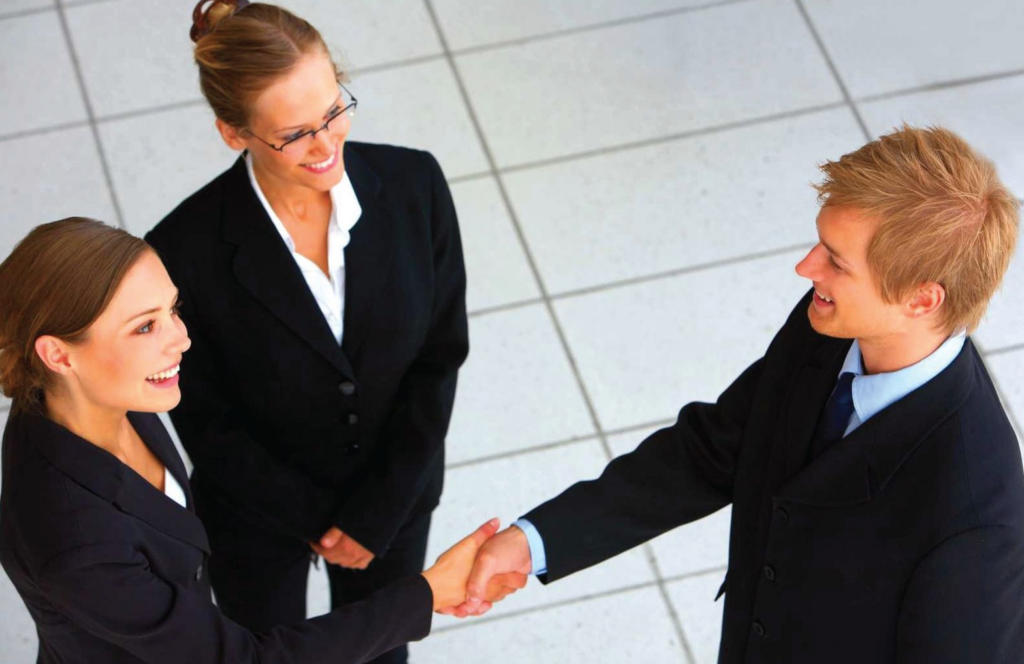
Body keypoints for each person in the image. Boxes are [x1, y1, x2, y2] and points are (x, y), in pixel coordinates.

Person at [452, 126, 1024, 663]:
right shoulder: (827, 326)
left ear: (922, 300)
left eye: (835, 262)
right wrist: (538, 541)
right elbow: (716, 450)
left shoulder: (975, 513)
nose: (805, 268)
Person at [0, 218, 523, 664]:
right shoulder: (77, 543)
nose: (181, 339)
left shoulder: (91, 400)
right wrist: (427, 593)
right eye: (144, 328)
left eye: (173, 311)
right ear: (59, 355)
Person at [144, 3, 468, 660]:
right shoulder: (181, 250)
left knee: (381, 646)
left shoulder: (416, 184)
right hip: (257, 515)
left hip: (394, 494)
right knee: (260, 648)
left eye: (333, 111)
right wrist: (320, 523)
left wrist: (373, 514)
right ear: (234, 134)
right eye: (293, 135)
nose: (326, 147)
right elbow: (203, 416)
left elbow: (439, 355)